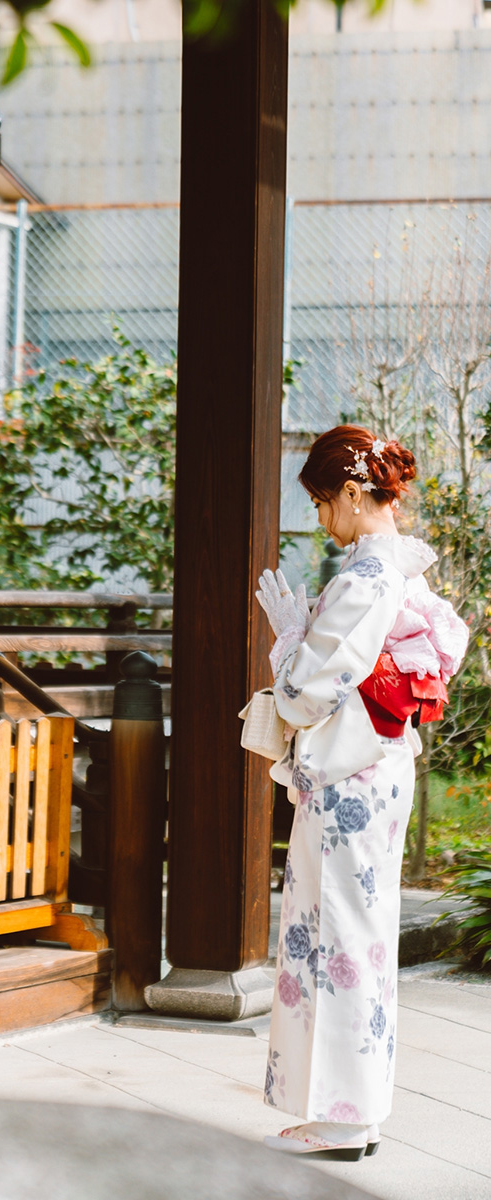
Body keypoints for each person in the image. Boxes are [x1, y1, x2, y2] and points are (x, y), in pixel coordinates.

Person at [256, 425, 468, 1162]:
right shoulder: (401, 574)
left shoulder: (366, 578)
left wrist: (289, 642)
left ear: (352, 493)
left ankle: (343, 1117)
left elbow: (309, 690)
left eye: (321, 502)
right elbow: (443, 644)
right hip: (378, 768)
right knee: (356, 932)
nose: (320, 518)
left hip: (351, 777)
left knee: (338, 934)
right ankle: (353, 1109)